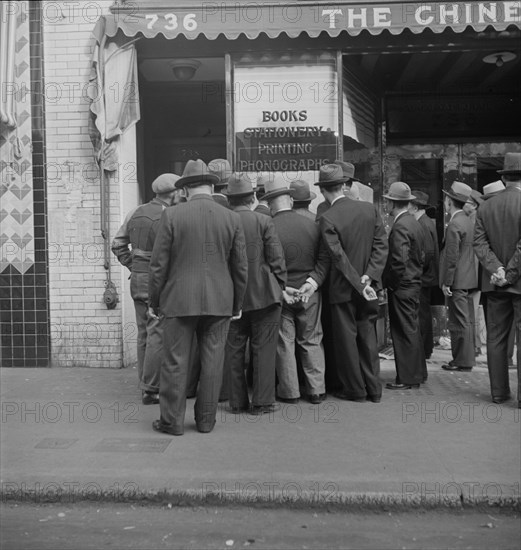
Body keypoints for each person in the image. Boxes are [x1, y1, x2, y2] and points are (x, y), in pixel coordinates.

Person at [148, 159, 248, 435]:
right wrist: (237, 303)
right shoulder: (231, 218)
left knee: (176, 361)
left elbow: (159, 265)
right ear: (211, 185)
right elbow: (240, 266)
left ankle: (172, 422)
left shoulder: (172, 215)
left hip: (179, 300)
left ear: (187, 188)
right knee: (214, 362)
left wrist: (154, 302)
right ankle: (206, 421)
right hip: (219, 300)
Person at [317, 164, 388, 402]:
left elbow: (338, 258)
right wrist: (369, 275)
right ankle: (374, 389)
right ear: (344, 185)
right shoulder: (370, 210)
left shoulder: (327, 217)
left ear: (323, 191)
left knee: (346, 340)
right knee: (368, 336)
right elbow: (381, 245)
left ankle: (355, 390)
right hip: (369, 287)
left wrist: (358, 282)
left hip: (343, 289)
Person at [111, 173, 180, 405]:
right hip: (157, 280)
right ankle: (151, 389)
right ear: (174, 193)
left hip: (137, 278)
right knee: (157, 332)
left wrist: (133, 264)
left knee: (144, 332)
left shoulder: (135, 212)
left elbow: (117, 243)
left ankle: (144, 382)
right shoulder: (169, 216)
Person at [223, 172, 287, 415]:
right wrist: (279, 285)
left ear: (230, 200)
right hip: (265, 295)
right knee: (264, 350)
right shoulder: (264, 221)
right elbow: (276, 259)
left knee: (234, 351)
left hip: (231, 298)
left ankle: (237, 402)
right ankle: (262, 402)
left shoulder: (224, 221)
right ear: (252, 198)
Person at [268, 177, 330, 404]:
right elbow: (325, 259)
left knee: (285, 341)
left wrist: (281, 287)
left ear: (271, 203)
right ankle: (316, 390)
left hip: (282, 292)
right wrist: (313, 282)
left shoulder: (269, 227)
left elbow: (266, 264)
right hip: (309, 291)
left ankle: (289, 391)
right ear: (291, 200)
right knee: (312, 339)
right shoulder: (313, 225)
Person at [474, 152, 521, 407]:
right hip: (517, 281)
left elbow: (479, 243)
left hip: (494, 282)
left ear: (505, 177)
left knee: (496, 337)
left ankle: (499, 392)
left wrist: (498, 270)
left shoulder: (486, 205)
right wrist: (510, 273)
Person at [383, 182, 426, 390]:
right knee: (412, 329)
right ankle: (417, 373)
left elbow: (398, 261)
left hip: (402, 286)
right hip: (413, 283)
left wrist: (389, 284)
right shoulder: (413, 222)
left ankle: (408, 378)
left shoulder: (400, 225)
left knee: (403, 332)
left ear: (392, 202)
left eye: (388, 201)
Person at [439, 181, 478, 373]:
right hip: (469, 277)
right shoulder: (468, 221)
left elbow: (451, 256)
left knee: (459, 321)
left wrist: (447, 281)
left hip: (458, 280)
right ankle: (466, 358)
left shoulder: (455, 223)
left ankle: (462, 361)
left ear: (449, 201)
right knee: (467, 320)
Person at [408, 190, 439, 362]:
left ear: (414, 206)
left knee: (422, 314)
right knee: (423, 313)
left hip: (423, 277)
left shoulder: (423, 224)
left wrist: (417, 270)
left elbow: (426, 254)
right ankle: (426, 348)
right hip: (426, 276)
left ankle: (425, 349)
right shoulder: (426, 222)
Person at [463, 189, 484, 356]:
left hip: (473, 273)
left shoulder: (473, 221)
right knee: (472, 310)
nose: (464, 205)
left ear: (474, 206)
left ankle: (475, 345)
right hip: (475, 272)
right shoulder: (473, 219)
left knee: (472, 311)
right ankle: (474, 345)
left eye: (467, 203)